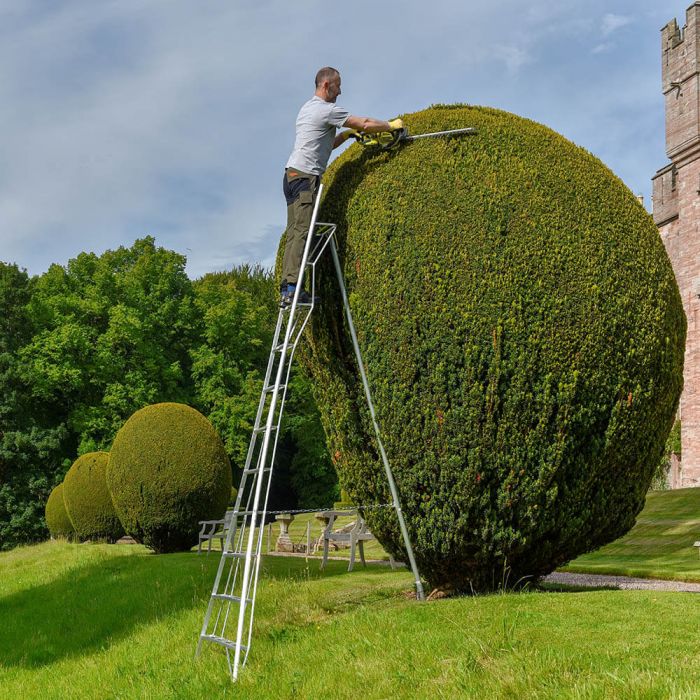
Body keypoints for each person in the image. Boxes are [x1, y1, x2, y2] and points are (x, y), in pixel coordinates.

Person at [279, 66, 403, 307]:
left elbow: (322, 146)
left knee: (295, 232)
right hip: (306, 178)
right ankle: (292, 290)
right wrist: (391, 126)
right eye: (338, 85)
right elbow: (365, 123)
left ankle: (287, 287)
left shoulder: (307, 108)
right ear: (326, 85)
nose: (340, 90)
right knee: (302, 233)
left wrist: (346, 136)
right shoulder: (327, 110)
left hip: (292, 175)